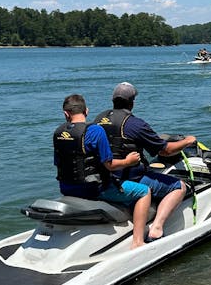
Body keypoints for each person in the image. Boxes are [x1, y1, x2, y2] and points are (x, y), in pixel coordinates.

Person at [93, 82, 197, 242]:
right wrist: (188, 141)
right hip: (130, 179)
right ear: (132, 102)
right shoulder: (135, 124)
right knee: (179, 187)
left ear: (113, 100)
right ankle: (156, 228)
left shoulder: (99, 119)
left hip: (104, 178)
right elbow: (165, 150)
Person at [53, 93, 151, 249]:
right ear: (87, 111)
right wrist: (128, 161)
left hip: (66, 188)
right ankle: (138, 241)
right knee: (144, 191)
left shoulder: (58, 133)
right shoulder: (95, 131)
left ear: (66, 114)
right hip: (94, 190)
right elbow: (110, 165)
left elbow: (58, 163)